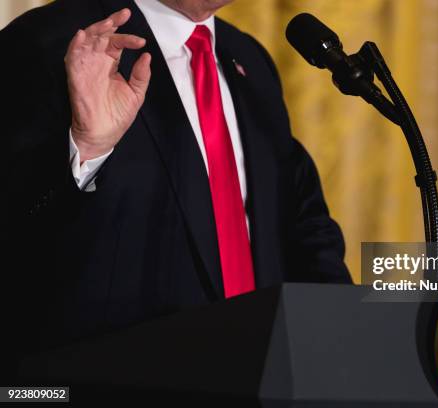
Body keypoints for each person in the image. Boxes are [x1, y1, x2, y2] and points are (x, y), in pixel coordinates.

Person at [0, 0, 351, 380]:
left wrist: (344, 331)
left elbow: (301, 219)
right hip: (106, 382)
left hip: (252, 378)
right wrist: (87, 149)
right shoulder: (49, 41)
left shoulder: (249, 59)